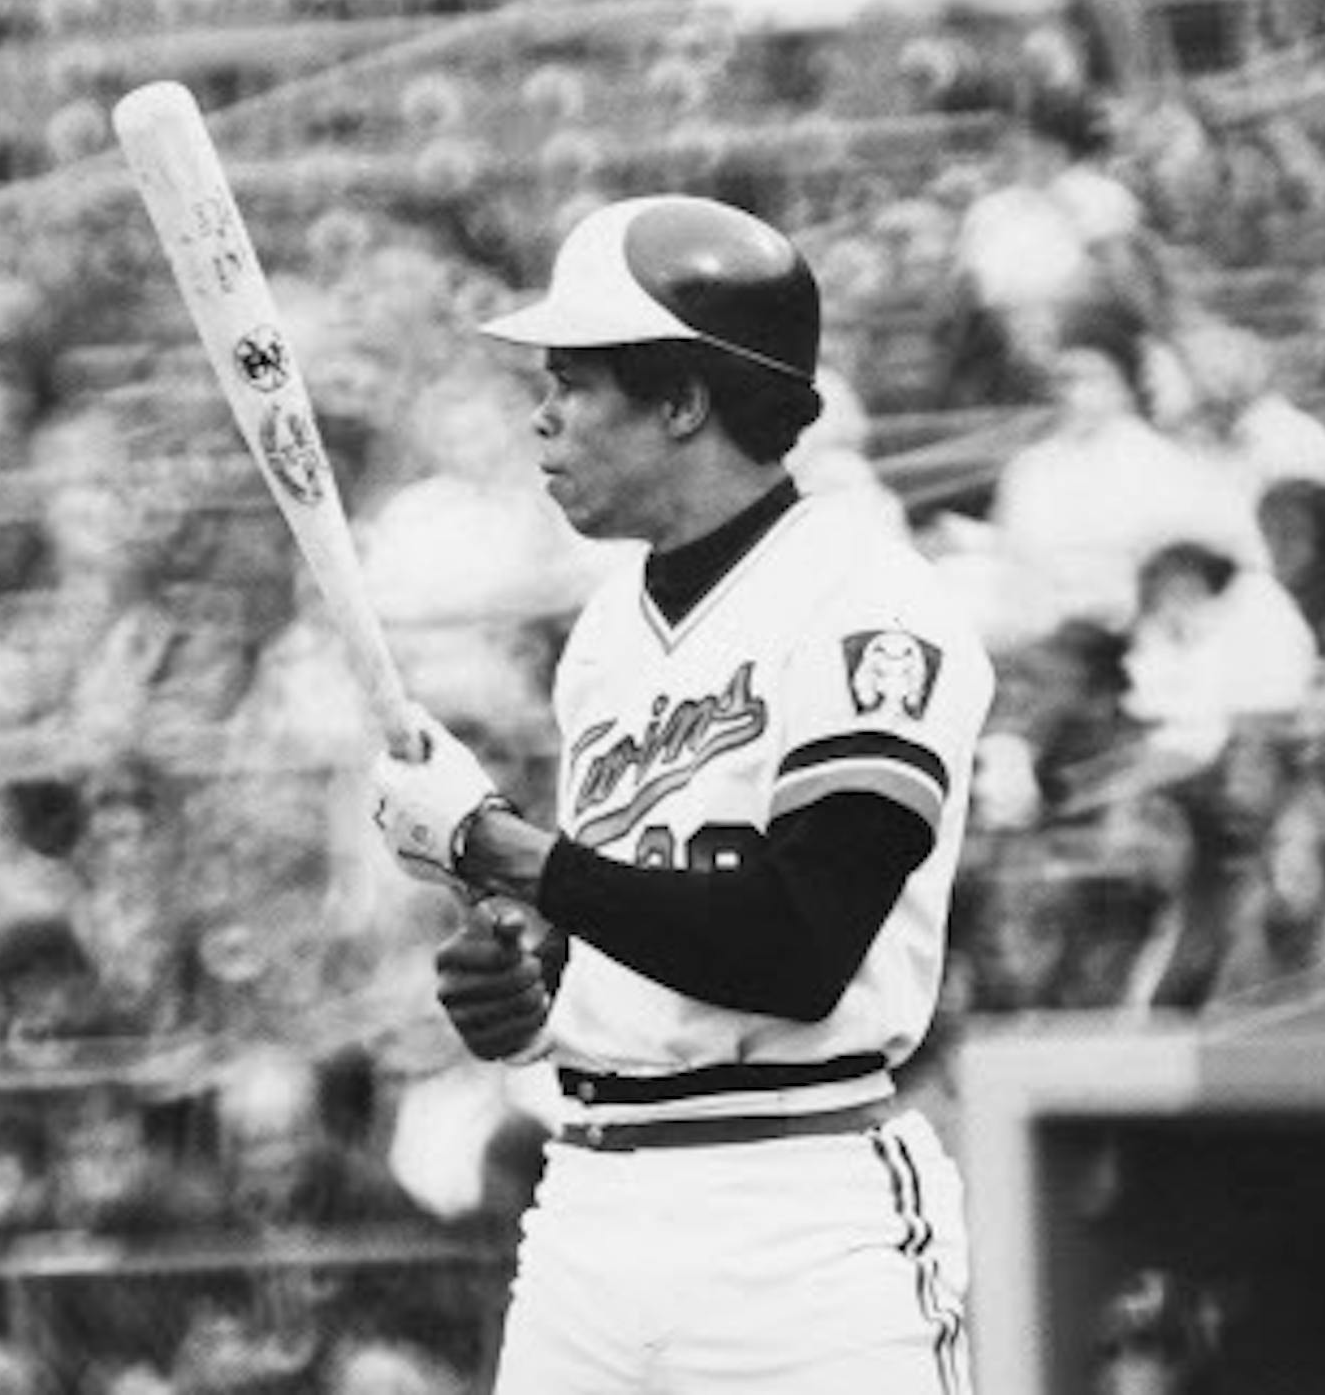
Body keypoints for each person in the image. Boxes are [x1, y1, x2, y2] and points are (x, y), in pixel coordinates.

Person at [368, 195, 994, 1394]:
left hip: (800, 1213)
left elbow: (796, 948)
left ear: (685, 400)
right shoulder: (605, 633)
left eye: (576, 384)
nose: (542, 419)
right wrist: (528, 979)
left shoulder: (867, 602)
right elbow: (630, 915)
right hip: (592, 1189)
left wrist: (503, 847)